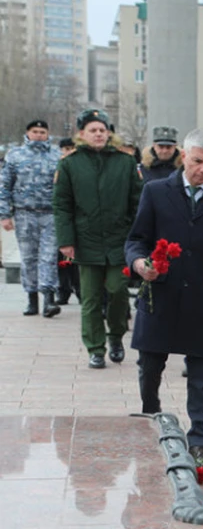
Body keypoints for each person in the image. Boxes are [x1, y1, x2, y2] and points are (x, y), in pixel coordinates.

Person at [126, 128, 203, 463]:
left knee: (201, 376)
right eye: (197, 162)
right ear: (183, 157)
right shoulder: (156, 192)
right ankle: (151, 417)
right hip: (160, 294)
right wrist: (139, 263)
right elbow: (136, 239)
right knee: (149, 367)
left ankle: (198, 438)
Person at [54, 109, 142, 369]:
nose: (99, 134)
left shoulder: (124, 163)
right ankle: (95, 347)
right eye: (93, 130)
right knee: (90, 299)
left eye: (102, 130)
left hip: (119, 240)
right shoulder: (70, 164)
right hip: (86, 240)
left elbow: (137, 202)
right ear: (82, 134)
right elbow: (62, 204)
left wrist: (138, 236)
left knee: (117, 291)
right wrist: (66, 240)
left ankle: (115, 337)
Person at [0, 119, 63, 318]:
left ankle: (49, 298)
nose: (39, 135)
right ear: (27, 133)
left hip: (50, 213)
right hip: (24, 213)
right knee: (28, 257)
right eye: (35, 131)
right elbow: (4, 186)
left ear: (48, 134)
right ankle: (31, 298)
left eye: (42, 131)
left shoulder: (57, 155)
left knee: (49, 256)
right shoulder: (15, 155)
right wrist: (4, 215)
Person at [55, 137, 80, 305]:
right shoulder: (60, 166)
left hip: (79, 217)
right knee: (62, 258)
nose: (68, 152)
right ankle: (63, 290)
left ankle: (79, 289)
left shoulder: (77, 166)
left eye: (72, 148)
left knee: (77, 259)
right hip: (63, 217)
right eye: (65, 148)